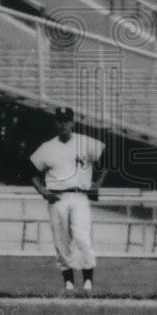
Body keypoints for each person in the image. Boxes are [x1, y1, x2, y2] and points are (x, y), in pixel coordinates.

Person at [30, 107, 106, 292]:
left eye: (66, 120)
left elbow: (105, 163)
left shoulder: (85, 142)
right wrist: (43, 192)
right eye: (60, 120)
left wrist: (97, 184)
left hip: (80, 196)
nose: (63, 124)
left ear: (72, 122)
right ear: (55, 122)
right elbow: (32, 174)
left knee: (82, 237)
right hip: (57, 197)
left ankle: (88, 281)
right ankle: (69, 283)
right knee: (61, 241)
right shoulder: (47, 147)